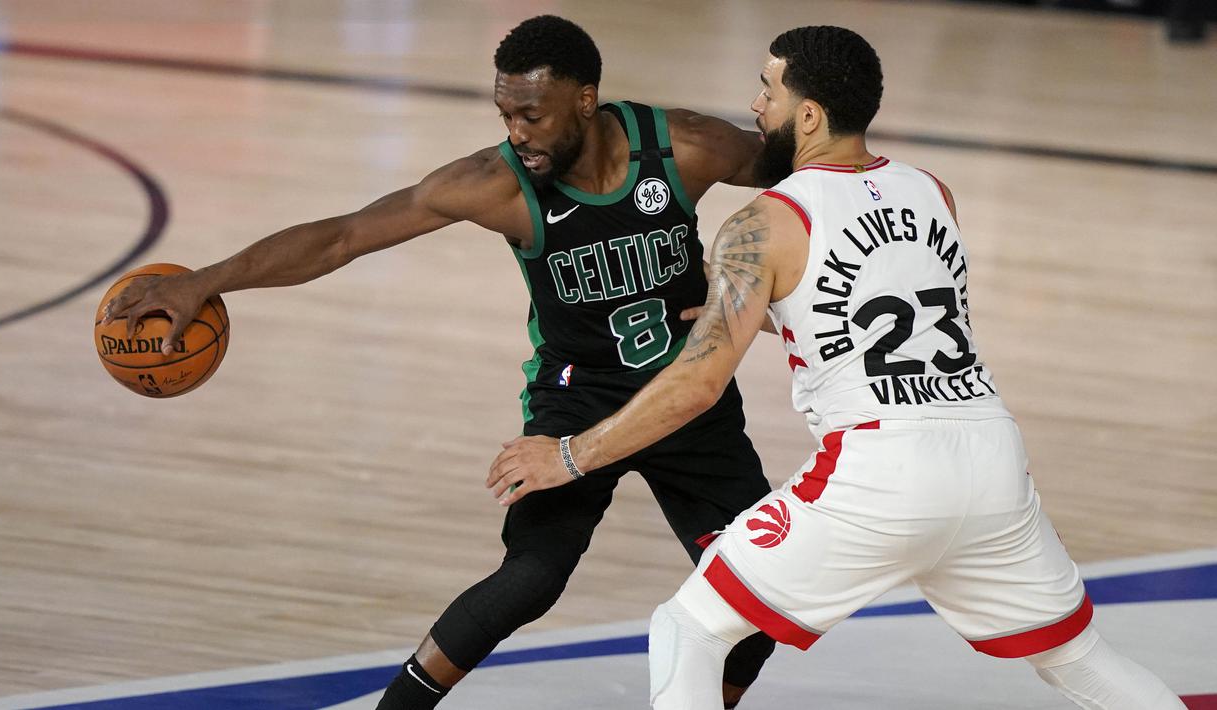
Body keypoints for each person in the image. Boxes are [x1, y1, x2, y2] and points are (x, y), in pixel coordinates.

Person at [487, 25, 1188, 710]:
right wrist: (759, 304)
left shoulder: (761, 224)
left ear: (809, 114)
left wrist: (572, 455)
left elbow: (697, 386)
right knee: (1078, 660)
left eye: (766, 90)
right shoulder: (932, 190)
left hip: (880, 472)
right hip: (990, 459)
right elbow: (872, 305)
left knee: (689, 627)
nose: (755, 108)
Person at [99, 14, 778, 710]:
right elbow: (341, 238)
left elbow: (816, 179)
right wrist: (207, 279)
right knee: (531, 578)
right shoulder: (499, 183)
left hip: (687, 394)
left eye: (532, 116)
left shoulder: (683, 147)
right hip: (577, 393)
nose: (516, 132)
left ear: (584, 99)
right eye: (505, 112)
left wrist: (760, 279)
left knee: (758, 597)